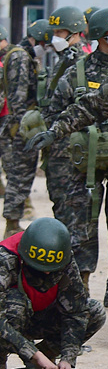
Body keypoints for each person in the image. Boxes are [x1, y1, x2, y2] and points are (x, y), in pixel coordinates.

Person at [27, 7, 108, 349]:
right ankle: (79, 310)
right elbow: (57, 114)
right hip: (81, 168)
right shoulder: (75, 73)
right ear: (101, 35)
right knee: (79, 239)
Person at [0, 217, 104, 369]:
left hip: (39, 318)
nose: (47, 273)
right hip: (10, 320)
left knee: (94, 311)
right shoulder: (6, 258)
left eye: (52, 269)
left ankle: (47, 355)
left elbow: (76, 312)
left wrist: (68, 358)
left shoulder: (63, 258)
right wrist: (34, 354)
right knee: (14, 304)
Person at [1, 19, 50, 237]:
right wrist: (23, 127)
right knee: (18, 177)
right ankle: (11, 226)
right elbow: (18, 96)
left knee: (20, 177)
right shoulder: (21, 57)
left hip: (20, 126)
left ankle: (13, 222)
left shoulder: (24, 55)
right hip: (19, 129)